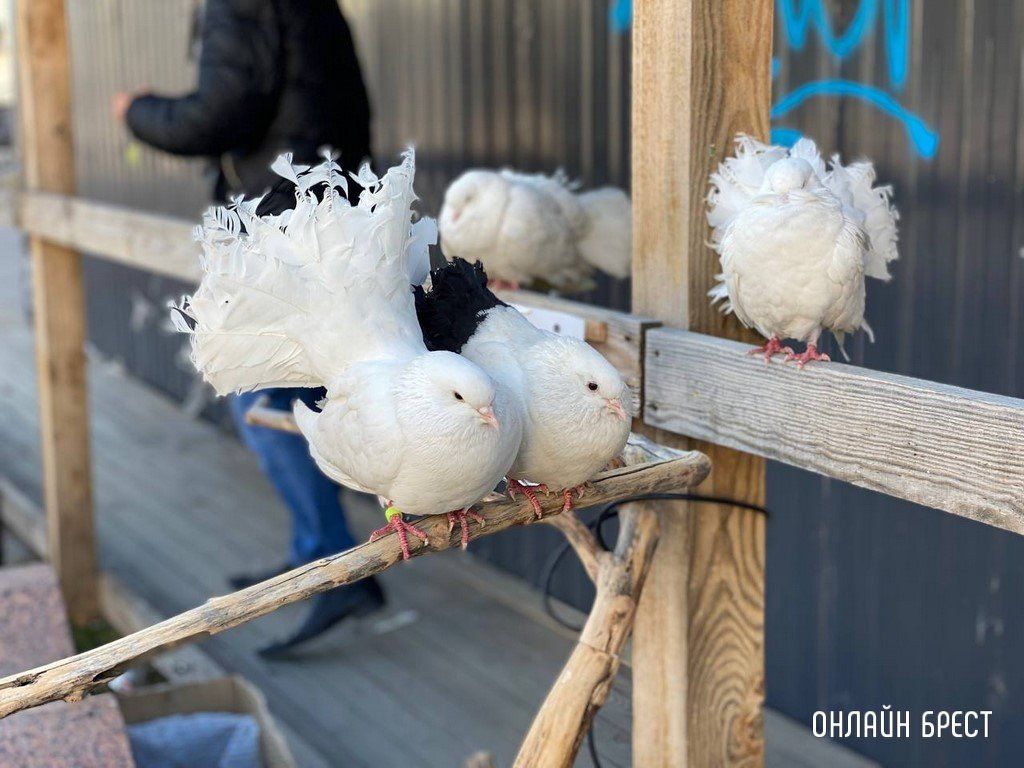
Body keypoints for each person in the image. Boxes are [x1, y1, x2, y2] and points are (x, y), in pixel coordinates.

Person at [114, 0, 384, 656]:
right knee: (300, 394)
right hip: (324, 220)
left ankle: (333, 565)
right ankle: (318, 555)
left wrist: (137, 111)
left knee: (257, 397)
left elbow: (220, 113)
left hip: (282, 228)